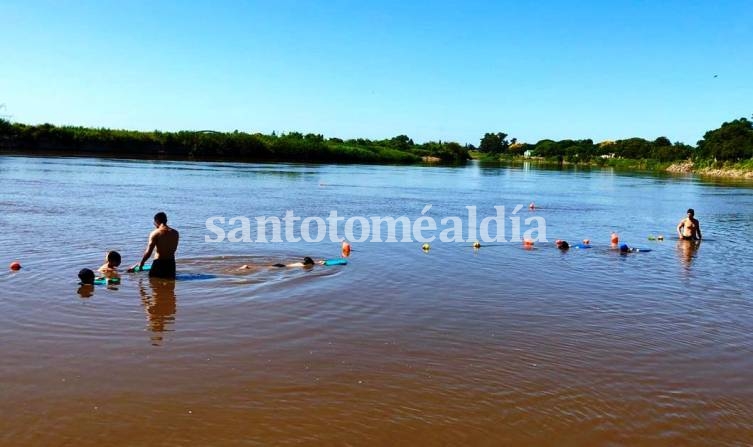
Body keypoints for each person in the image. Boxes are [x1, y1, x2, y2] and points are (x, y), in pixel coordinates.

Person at [132, 212, 180, 279]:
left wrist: (141, 263)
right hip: (171, 264)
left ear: (156, 221)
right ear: (166, 220)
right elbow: (173, 249)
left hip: (159, 263)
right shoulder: (175, 233)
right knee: (170, 287)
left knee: (154, 285)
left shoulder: (155, 233)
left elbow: (149, 252)